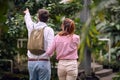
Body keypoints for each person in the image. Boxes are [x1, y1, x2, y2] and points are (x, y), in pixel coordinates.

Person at [24, 8, 54, 80]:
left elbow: (28, 21)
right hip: (44, 61)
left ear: (38, 17)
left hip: (31, 62)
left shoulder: (32, 27)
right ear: (48, 19)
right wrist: (49, 56)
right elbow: (51, 47)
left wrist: (27, 13)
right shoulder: (49, 30)